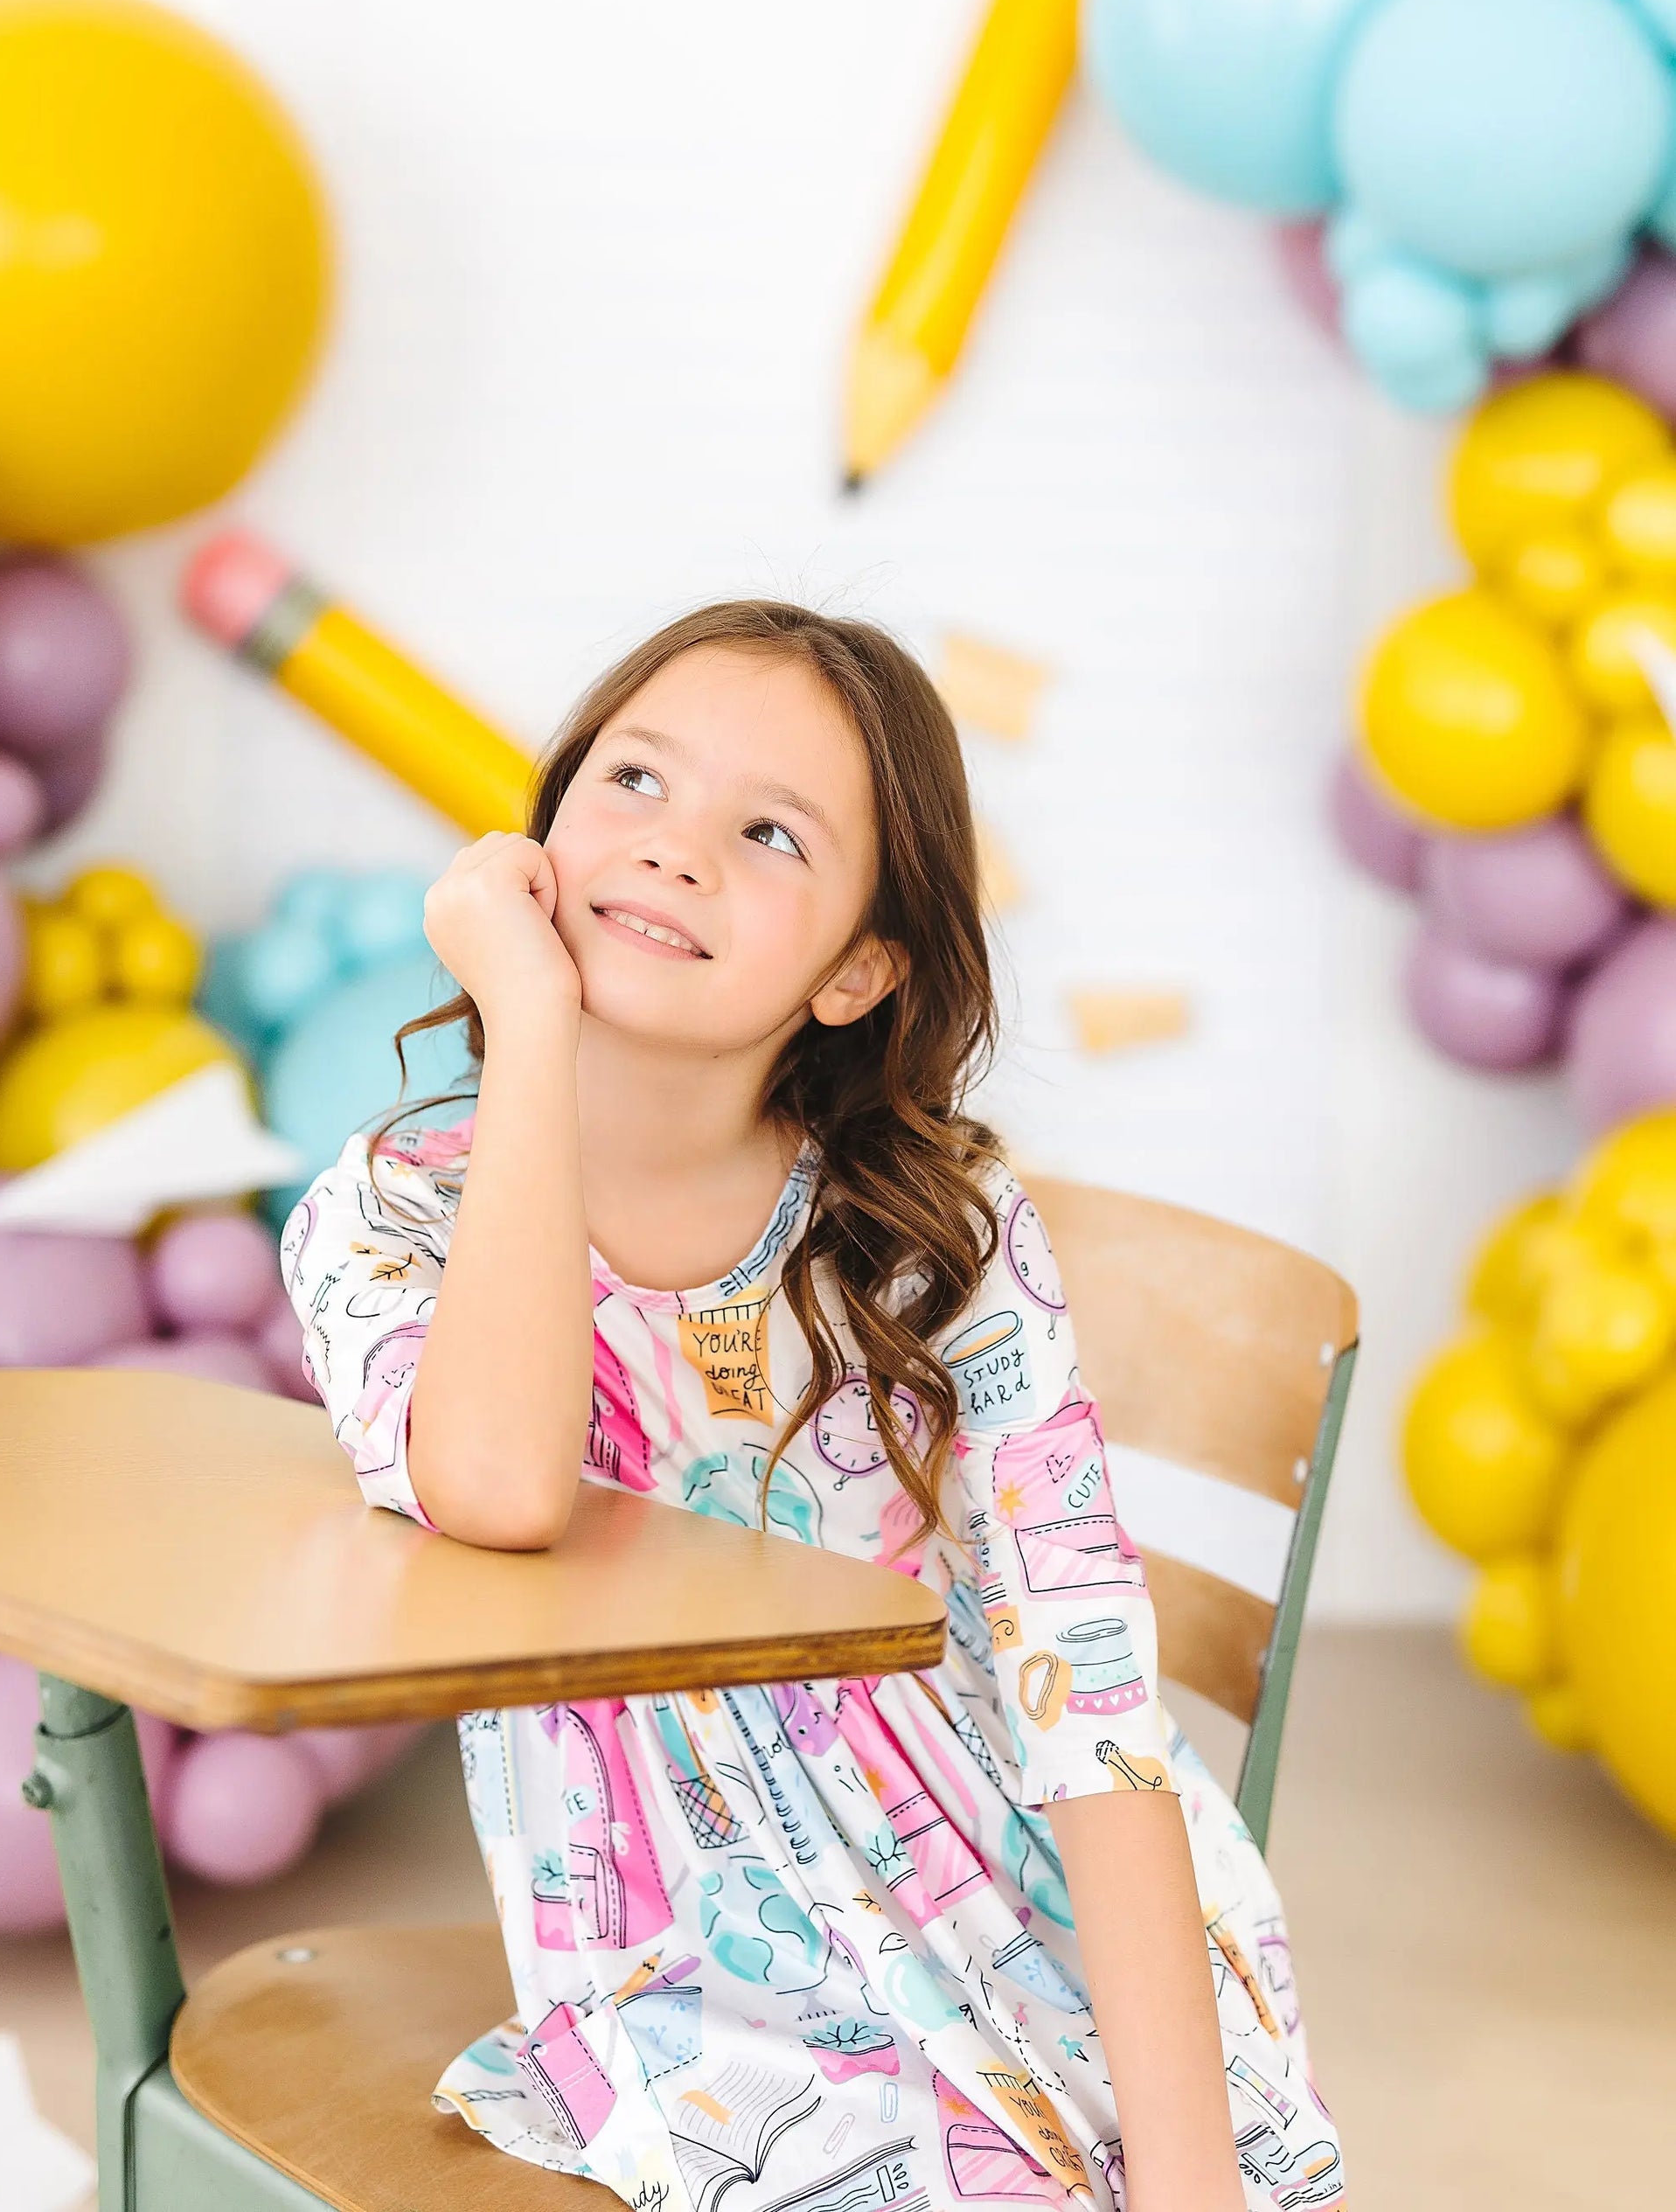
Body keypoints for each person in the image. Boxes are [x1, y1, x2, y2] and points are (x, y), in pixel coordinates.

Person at [282, 598, 1343, 2212]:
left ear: (858, 969)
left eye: (768, 830)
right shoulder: (389, 1211)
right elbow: (498, 1489)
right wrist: (529, 1021)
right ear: (537, 837)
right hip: (691, 1952)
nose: (676, 850)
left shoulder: (941, 1235)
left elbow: (1090, 1692)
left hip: (1025, 1885)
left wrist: (1186, 2173)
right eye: (632, 782)